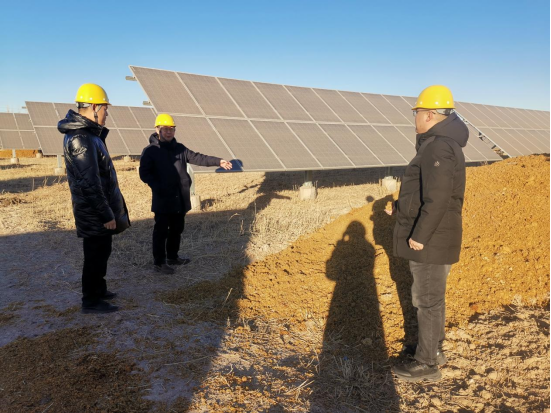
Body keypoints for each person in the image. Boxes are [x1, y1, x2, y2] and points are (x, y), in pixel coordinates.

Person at [386, 85, 467, 382]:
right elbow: (425, 191)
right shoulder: (439, 144)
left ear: (430, 115)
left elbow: (439, 197)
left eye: (417, 113)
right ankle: (432, 348)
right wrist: (400, 207)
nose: (415, 118)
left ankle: (426, 364)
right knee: (432, 298)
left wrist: (420, 235)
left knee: (427, 300)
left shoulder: (438, 147)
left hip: (432, 239)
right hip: (436, 234)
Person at [58, 83, 130, 314]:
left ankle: (99, 289)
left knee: (102, 251)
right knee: (94, 255)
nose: (107, 114)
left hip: (97, 208)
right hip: (93, 211)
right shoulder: (80, 138)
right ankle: (90, 301)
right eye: (105, 109)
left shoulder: (90, 135)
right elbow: (88, 182)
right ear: (95, 107)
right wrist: (105, 214)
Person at [139, 114, 232, 274]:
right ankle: (159, 263)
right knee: (161, 231)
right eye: (166, 129)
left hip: (179, 197)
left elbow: (198, 158)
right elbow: (144, 173)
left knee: (177, 229)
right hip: (163, 198)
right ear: (157, 129)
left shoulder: (180, 148)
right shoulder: (150, 151)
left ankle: (172, 257)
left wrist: (218, 161)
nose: (169, 132)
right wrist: (158, 187)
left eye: (172, 129)